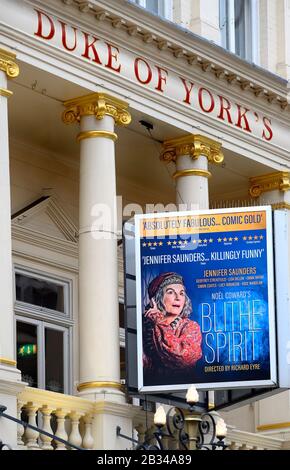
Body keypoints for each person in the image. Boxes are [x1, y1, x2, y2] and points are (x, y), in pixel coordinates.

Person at [143, 272, 202, 384]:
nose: (178, 298)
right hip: (151, 392)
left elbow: (184, 357)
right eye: (171, 292)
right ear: (157, 299)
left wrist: (159, 321)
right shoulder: (145, 326)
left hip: (184, 392)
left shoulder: (190, 327)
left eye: (181, 293)